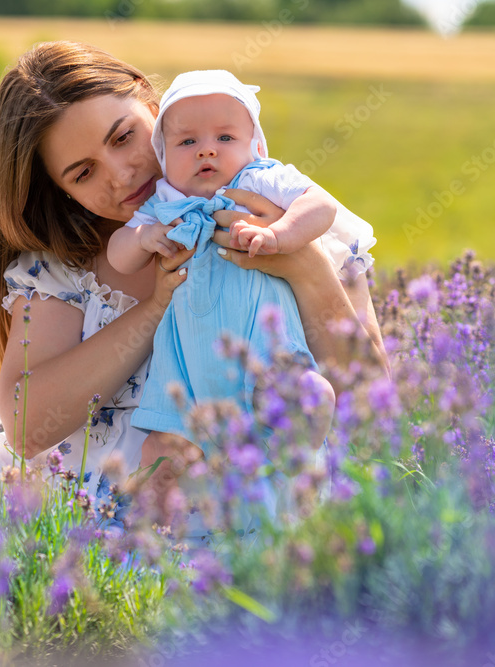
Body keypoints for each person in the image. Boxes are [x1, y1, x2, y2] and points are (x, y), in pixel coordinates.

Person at [0, 41, 388, 582]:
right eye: (83, 172)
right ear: (60, 190)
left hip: (178, 503)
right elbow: (23, 425)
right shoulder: (67, 262)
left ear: (150, 101)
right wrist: (155, 306)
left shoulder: (285, 212)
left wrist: (302, 262)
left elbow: (374, 397)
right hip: (57, 481)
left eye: (123, 135)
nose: (120, 173)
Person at [105, 69, 377, 465]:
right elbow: (118, 252)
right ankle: (157, 524)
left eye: (225, 138)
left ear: (256, 146)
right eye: (187, 141)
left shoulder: (260, 180)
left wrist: (281, 234)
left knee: (292, 395)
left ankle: (290, 465)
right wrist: (143, 238)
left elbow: (320, 205)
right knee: (157, 451)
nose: (206, 150)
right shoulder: (165, 201)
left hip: (267, 354)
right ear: (164, 157)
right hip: (185, 368)